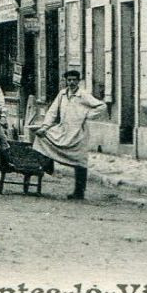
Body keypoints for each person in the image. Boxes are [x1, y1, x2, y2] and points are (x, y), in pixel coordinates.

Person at [30, 69, 109, 200]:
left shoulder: (83, 95)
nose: (71, 82)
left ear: (78, 81)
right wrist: (45, 127)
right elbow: (52, 112)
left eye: (74, 80)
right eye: (69, 80)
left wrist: (87, 115)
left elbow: (101, 106)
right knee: (42, 137)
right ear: (66, 81)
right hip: (63, 129)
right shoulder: (62, 94)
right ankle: (48, 166)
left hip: (78, 133)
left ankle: (79, 192)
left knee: (80, 161)